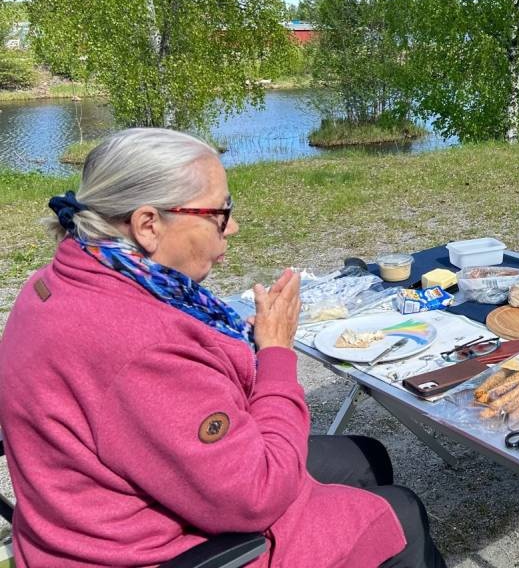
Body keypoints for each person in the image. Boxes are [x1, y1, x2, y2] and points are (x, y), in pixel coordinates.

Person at [0, 128, 446, 568]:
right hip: (154, 550)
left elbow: (156, 398)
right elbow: (257, 497)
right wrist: (275, 354)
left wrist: (238, 350)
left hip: (102, 511)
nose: (232, 227)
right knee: (401, 513)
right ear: (148, 224)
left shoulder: (66, 277)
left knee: (365, 458)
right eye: (219, 213)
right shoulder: (140, 344)